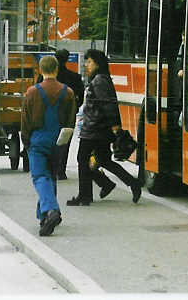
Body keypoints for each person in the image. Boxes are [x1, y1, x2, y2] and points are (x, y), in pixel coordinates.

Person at [67, 49, 142, 206]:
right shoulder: (100, 79)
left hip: (94, 129)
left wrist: (115, 126)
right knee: (105, 161)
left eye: (89, 62)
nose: (86, 65)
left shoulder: (99, 80)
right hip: (98, 128)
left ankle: (84, 196)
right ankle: (132, 183)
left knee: (82, 159)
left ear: (97, 63)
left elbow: (107, 105)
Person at [21, 55, 77, 236]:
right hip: (58, 140)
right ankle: (44, 218)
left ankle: (52, 210)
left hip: (38, 139)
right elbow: (71, 120)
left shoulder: (32, 92)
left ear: (40, 70)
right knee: (50, 176)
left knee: (40, 176)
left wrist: (26, 139)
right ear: (57, 69)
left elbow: (25, 120)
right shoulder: (68, 92)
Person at [35, 49, 84, 180]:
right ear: (67, 59)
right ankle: (61, 170)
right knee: (65, 142)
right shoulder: (75, 77)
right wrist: (74, 109)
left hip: (48, 114)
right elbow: (81, 97)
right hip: (67, 114)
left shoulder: (44, 78)